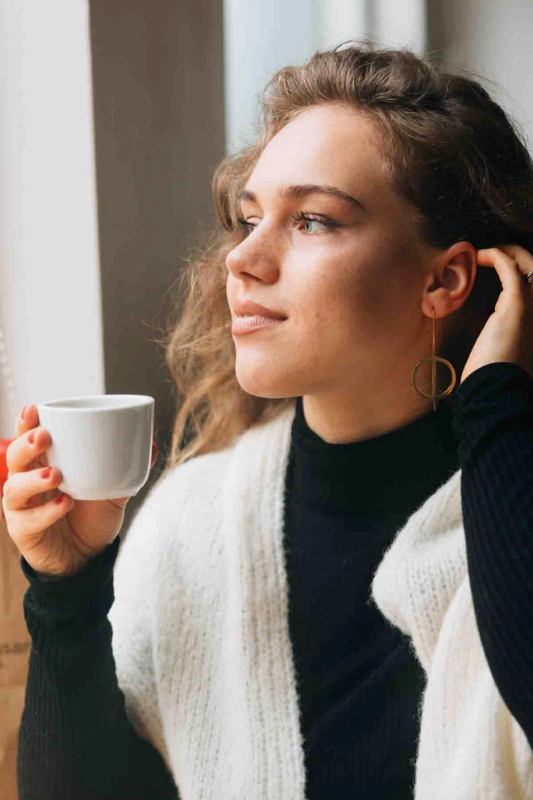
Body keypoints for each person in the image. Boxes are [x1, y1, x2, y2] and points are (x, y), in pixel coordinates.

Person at [3, 41, 533, 799]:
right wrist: (65, 589)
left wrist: (495, 401)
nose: (242, 259)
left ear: (444, 278)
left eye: (312, 220)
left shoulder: (512, 507)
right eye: (249, 218)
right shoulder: (192, 521)